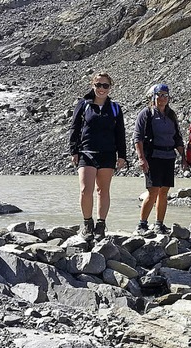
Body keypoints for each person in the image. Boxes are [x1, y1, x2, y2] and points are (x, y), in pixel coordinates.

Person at [68, 72, 127, 242]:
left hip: (108, 154)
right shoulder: (84, 104)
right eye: (98, 85)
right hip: (87, 152)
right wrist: (74, 150)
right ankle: (88, 224)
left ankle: (101, 226)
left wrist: (121, 155)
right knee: (86, 190)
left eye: (105, 85)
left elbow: (120, 132)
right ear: (93, 85)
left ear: (110, 87)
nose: (101, 89)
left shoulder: (115, 108)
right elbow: (74, 128)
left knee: (103, 191)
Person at [133, 83, 187, 235]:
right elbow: (137, 137)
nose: (162, 98)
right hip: (153, 156)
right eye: (159, 95)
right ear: (154, 96)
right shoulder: (146, 113)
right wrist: (141, 158)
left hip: (169, 157)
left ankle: (159, 224)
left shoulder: (171, 115)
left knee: (164, 191)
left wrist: (183, 157)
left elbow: (177, 138)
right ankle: (142, 225)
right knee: (153, 191)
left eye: (165, 95)